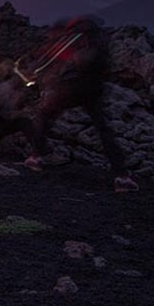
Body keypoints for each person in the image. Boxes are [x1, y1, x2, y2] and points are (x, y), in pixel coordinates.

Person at [29, 16, 139, 192]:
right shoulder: (97, 39)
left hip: (69, 88)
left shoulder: (69, 41)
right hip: (93, 90)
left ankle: (36, 157)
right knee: (104, 130)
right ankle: (122, 176)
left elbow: (54, 61)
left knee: (44, 115)